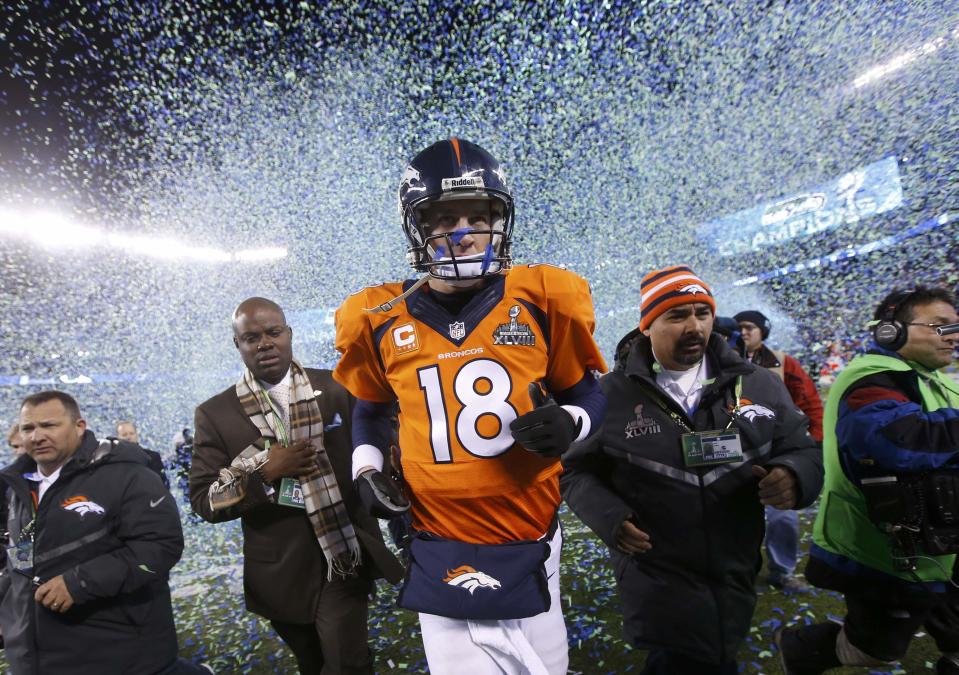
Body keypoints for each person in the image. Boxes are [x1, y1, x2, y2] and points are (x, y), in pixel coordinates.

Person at [333, 138, 608, 675]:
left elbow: (589, 396)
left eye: (478, 217)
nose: (462, 232)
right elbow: (368, 411)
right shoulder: (379, 315)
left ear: (498, 222)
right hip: (439, 540)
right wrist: (366, 470)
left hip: (534, 535)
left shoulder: (543, 297)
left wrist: (570, 423)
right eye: (444, 217)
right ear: (419, 227)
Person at [561, 265, 823, 675]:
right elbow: (574, 472)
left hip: (734, 563)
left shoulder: (756, 383)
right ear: (647, 325)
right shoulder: (609, 396)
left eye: (702, 313)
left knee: (719, 652)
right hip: (656, 569)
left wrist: (794, 474)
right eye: (677, 315)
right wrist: (610, 518)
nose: (694, 326)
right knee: (683, 659)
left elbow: (801, 448)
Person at [190, 297, 403, 675]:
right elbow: (204, 502)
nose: (264, 343)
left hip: (343, 553)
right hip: (281, 572)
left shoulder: (340, 386)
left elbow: (383, 446)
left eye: (274, 332)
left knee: (345, 662)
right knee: (312, 662)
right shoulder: (215, 413)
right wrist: (264, 474)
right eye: (251, 337)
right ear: (237, 345)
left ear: (289, 334)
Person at [777, 286, 959, 675]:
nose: (954, 335)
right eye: (940, 326)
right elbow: (896, 440)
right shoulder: (869, 379)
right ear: (891, 331)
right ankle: (799, 649)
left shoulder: (938, 379)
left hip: (940, 545)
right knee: (874, 648)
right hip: (887, 555)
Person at [0, 391, 185, 674]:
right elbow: (22, 555)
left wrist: (80, 583)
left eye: (49, 425)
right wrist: (7, 605)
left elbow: (161, 546)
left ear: (79, 426)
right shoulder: (19, 486)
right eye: (28, 428)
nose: (37, 436)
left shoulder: (127, 474)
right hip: (38, 657)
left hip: (118, 654)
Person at [735, 309, 824, 592]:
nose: (745, 332)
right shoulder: (717, 362)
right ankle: (737, 572)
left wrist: (812, 444)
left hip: (777, 451)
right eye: (740, 328)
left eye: (751, 327)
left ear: (764, 331)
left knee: (782, 511)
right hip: (735, 454)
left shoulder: (783, 362)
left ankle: (782, 571)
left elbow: (809, 401)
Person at [116, 419, 169, 487]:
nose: (129, 437)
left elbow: (163, 484)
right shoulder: (115, 460)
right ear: (118, 438)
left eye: (131, 433)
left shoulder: (152, 456)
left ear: (136, 435)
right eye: (124, 435)